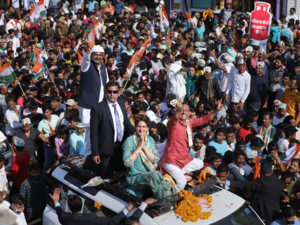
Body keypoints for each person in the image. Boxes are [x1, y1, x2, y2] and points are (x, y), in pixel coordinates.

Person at [160, 98, 223, 193]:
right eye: (182, 110)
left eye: (186, 110)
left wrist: (216, 110)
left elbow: (203, 120)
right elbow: (174, 119)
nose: (183, 112)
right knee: (182, 182)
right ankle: (171, 197)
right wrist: (178, 109)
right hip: (171, 161)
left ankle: (180, 172)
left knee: (200, 163)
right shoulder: (173, 123)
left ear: (190, 113)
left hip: (184, 159)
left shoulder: (189, 122)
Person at [90, 82, 135, 179]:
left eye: (115, 92)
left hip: (122, 147)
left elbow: (126, 123)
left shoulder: (121, 104)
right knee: (107, 177)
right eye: (110, 92)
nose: (112, 94)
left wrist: (138, 131)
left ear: (119, 92)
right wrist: (95, 153)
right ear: (106, 92)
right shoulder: (97, 109)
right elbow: (93, 133)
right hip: (106, 150)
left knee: (122, 175)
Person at [217, 161, 283, 225]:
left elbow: (244, 185)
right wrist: (255, 196)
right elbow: (269, 194)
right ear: (272, 171)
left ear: (260, 172)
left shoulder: (260, 182)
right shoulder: (279, 182)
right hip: (275, 216)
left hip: (260, 217)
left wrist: (224, 182)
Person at [122, 115, 171, 199]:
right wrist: (139, 148)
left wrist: (144, 147)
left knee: (162, 179)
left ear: (148, 128)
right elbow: (127, 163)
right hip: (135, 177)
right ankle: (161, 203)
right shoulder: (129, 141)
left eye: (144, 127)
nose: (141, 129)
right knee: (156, 176)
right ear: (135, 127)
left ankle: (166, 200)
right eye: (139, 126)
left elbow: (155, 159)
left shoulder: (150, 140)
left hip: (148, 174)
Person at [49, 187, 139, 225]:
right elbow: (111, 221)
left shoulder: (63, 217)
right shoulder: (91, 217)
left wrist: (56, 201)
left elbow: (58, 210)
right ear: (82, 204)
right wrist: (129, 207)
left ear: (68, 207)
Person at [78, 44, 108, 159]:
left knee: (98, 130)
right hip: (88, 105)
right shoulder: (86, 65)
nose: (98, 57)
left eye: (100, 55)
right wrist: (86, 51)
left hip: (100, 104)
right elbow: (85, 59)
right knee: (90, 131)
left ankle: (96, 153)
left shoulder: (104, 68)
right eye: (95, 54)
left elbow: (106, 84)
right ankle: (87, 156)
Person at [6, 137, 30, 202]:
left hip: (18, 184)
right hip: (26, 181)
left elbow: (14, 173)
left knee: (13, 200)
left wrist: (6, 172)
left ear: (14, 147)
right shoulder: (27, 153)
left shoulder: (16, 159)